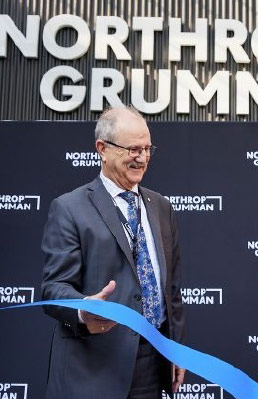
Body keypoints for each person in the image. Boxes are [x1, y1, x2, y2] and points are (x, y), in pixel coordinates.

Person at [41, 106, 185, 399]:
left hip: (153, 366)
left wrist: (176, 348)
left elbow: (170, 289)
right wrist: (83, 309)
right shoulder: (69, 208)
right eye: (133, 148)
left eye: (147, 148)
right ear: (102, 149)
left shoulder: (161, 207)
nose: (142, 157)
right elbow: (53, 288)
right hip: (93, 368)